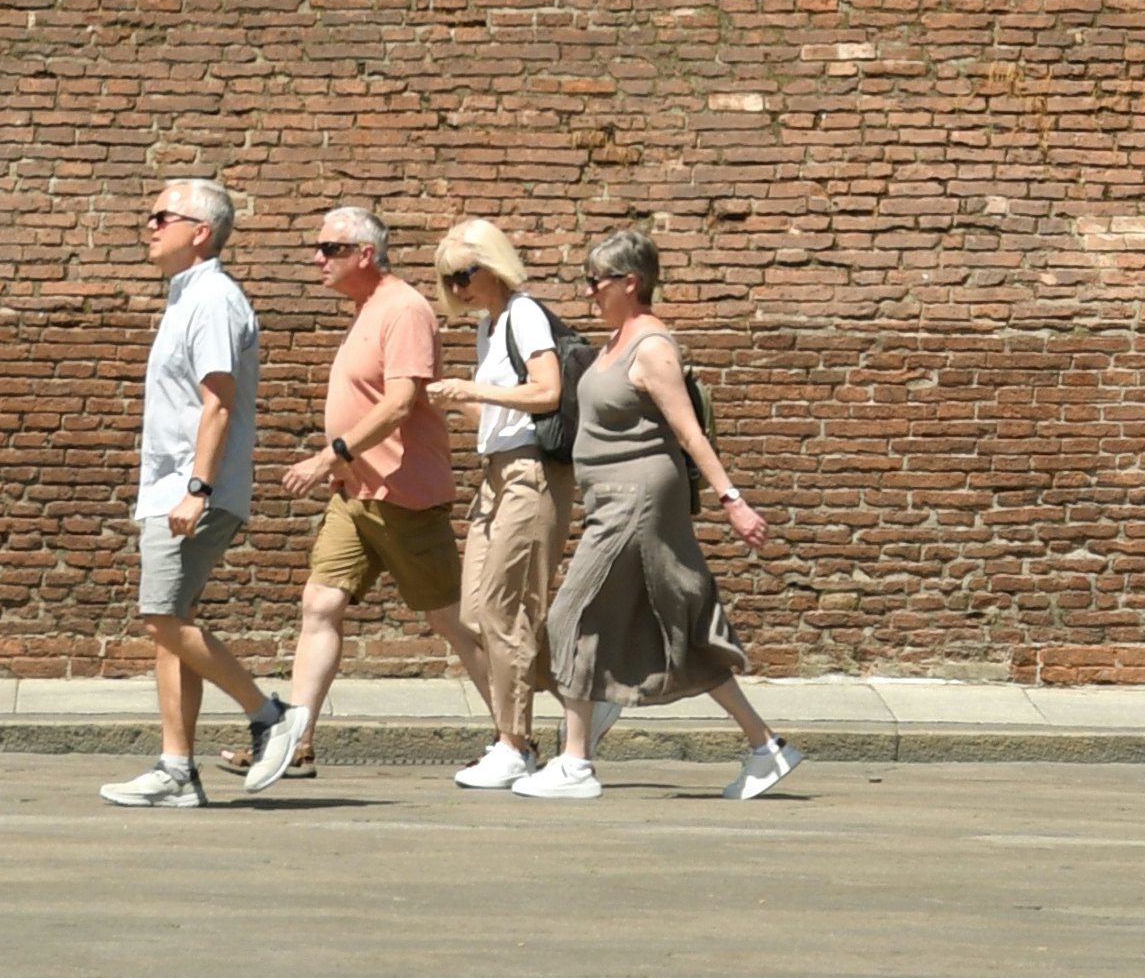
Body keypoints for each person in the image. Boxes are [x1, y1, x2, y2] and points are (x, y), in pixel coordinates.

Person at [519, 229, 794, 802]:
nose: (590, 290)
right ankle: (765, 747)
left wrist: (733, 500)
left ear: (630, 282)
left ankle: (574, 764)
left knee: (571, 615)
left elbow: (689, 433)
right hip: (611, 501)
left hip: (639, 501)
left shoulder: (652, 348)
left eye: (598, 280)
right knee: (678, 629)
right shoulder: (618, 340)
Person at [239, 203, 486, 794]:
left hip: (402, 494)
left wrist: (333, 454)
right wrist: (343, 467)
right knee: (319, 606)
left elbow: (403, 401)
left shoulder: (403, 310)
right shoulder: (369, 309)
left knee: (451, 620)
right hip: (355, 495)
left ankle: (516, 736)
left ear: (365, 255)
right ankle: (294, 744)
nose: (316, 259)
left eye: (328, 249)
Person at [103, 178, 289, 806]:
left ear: (200, 232)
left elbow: (218, 402)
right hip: (171, 488)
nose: (149, 225)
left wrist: (196, 488)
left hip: (190, 491)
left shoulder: (212, 298)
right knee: (169, 623)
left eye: (162, 216)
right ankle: (176, 770)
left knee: (159, 616)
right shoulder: (187, 297)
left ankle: (270, 715)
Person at [437, 215, 577, 793]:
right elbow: (498, 412)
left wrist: (472, 389)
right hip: (496, 473)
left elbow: (547, 393)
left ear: (492, 265)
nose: (457, 289)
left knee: (504, 608)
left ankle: (514, 744)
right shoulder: (490, 327)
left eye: (464, 275)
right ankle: (579, 694)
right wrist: (447, 402)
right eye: (449, 280)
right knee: (475, 612)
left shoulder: (524, 314)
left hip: (531, 474)